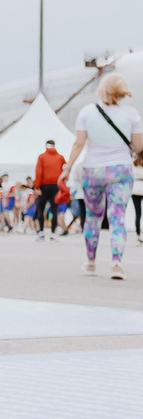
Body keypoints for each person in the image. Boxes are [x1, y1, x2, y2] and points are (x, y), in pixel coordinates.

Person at [64, 72, 139, 279]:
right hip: (121, 169)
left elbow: (79, 144)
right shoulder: (131, 114)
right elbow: (139, 145)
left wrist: (67, 169)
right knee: (117, 218)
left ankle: (90, 262)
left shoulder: (87, 112)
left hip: (93, 171)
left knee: (93, 218)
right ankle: (116, 263)